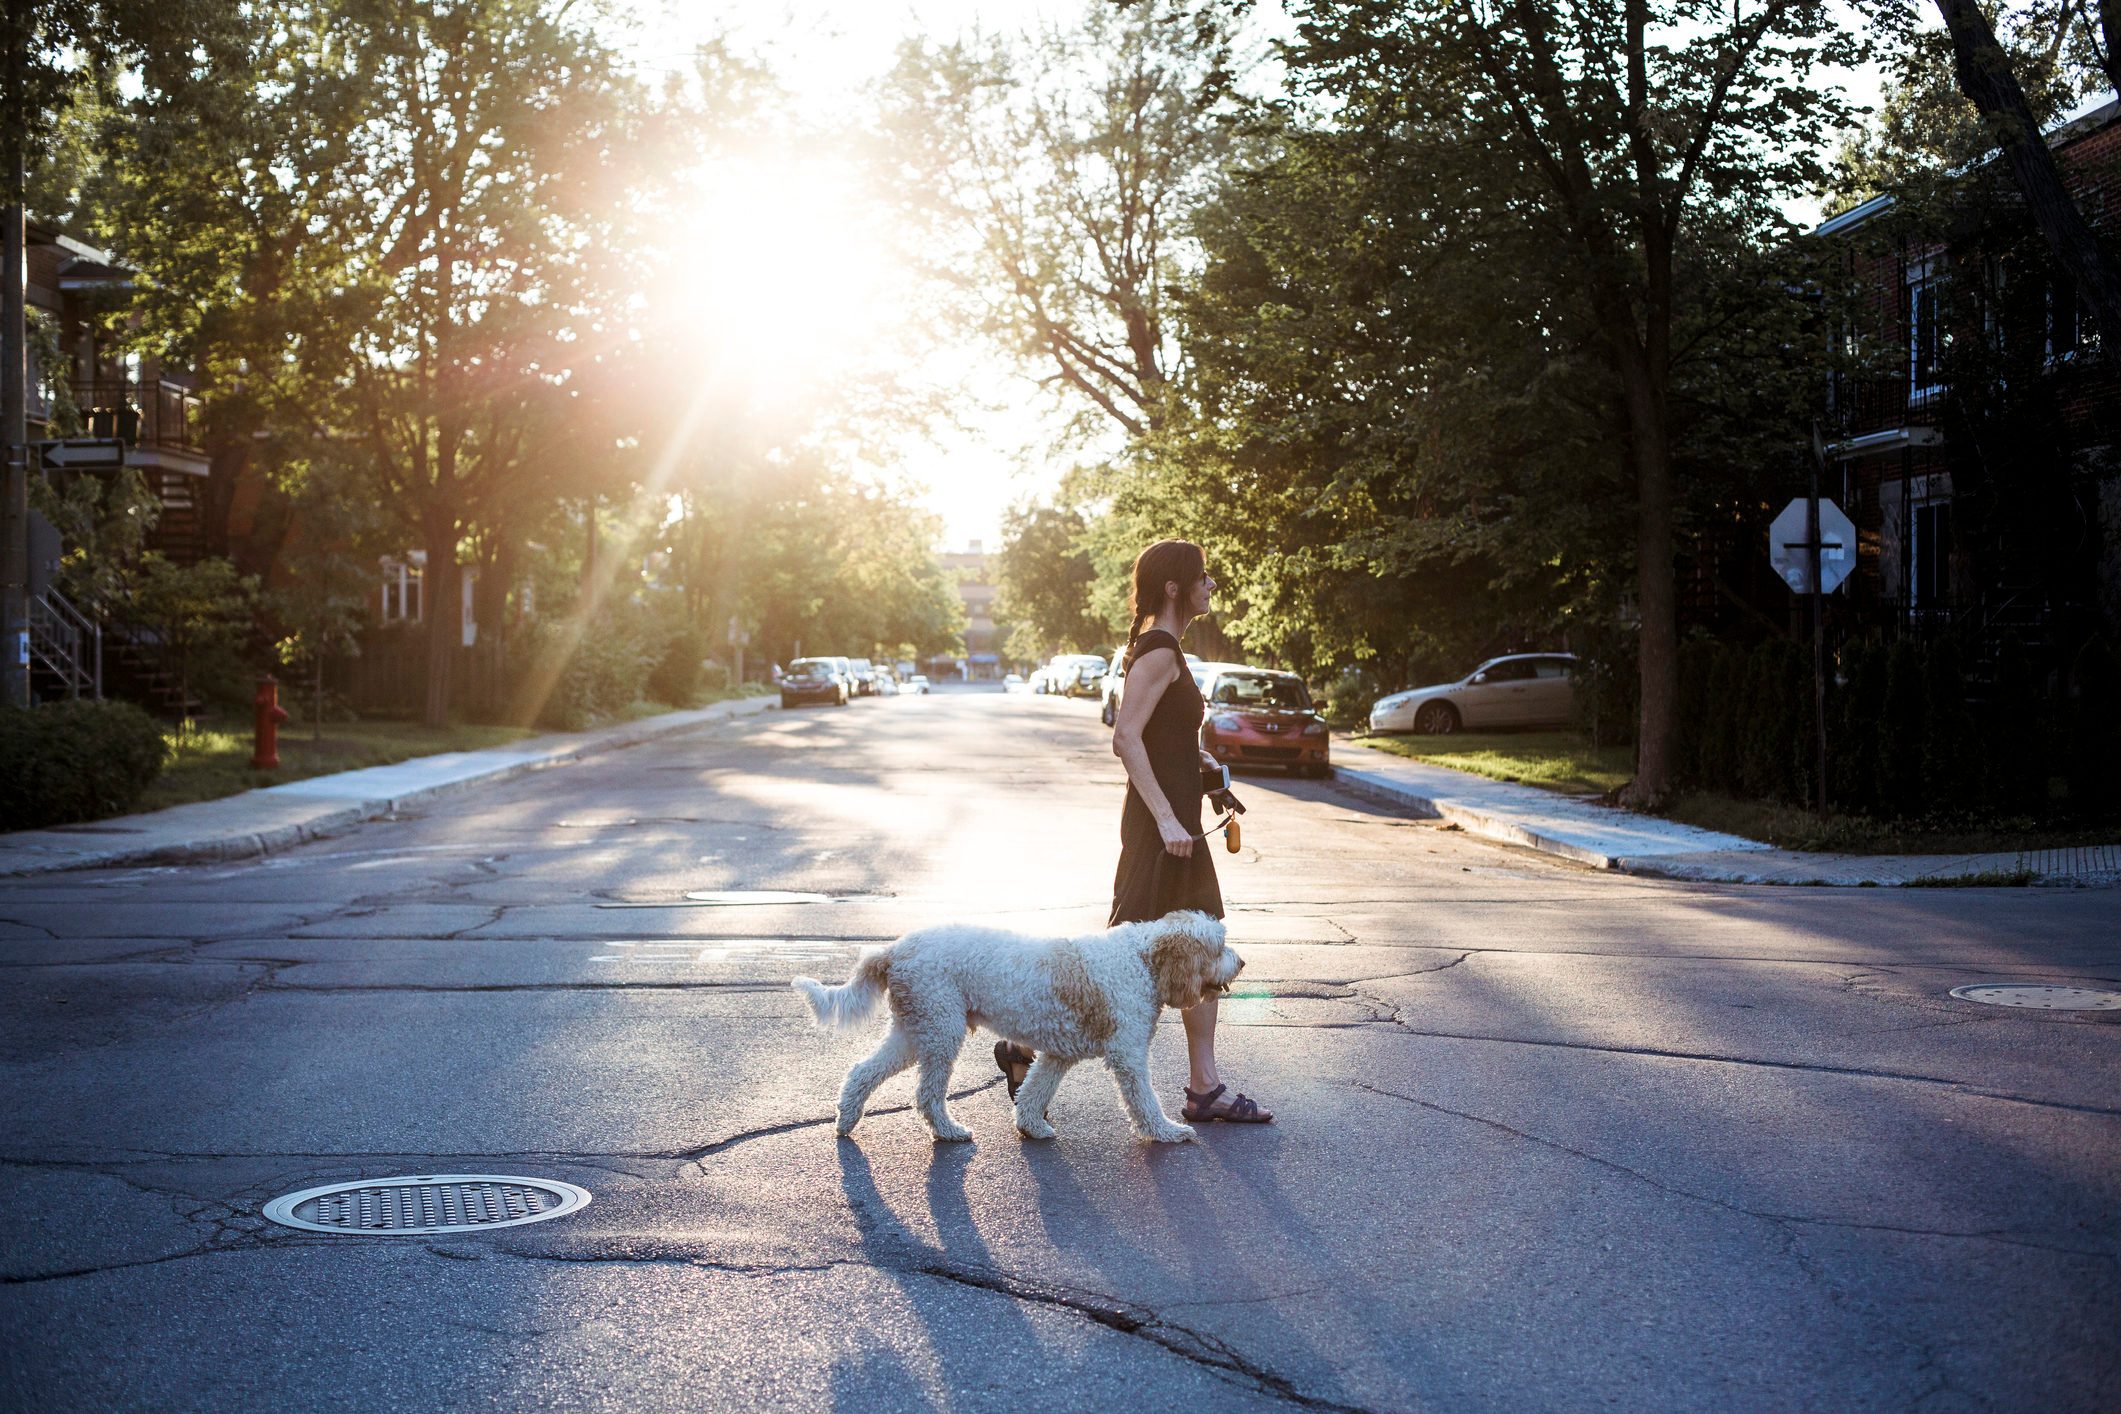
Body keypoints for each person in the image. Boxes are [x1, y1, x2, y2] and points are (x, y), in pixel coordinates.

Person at [997, 538, 1272, 1125]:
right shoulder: (1158, 652)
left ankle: (1203, 1085)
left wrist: (1204, 769)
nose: (1211, 585)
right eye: (1204, 576)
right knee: (1137, 951)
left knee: (1192, 944)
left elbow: (1160, 737)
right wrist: (1169, 818)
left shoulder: (1166, 650)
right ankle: (1026, 1045)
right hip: (1162, 832)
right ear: (1175, 587)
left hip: (1176, 824)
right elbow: (1125, 738)